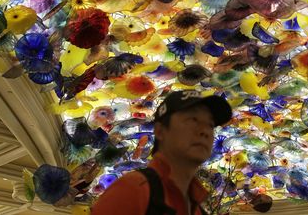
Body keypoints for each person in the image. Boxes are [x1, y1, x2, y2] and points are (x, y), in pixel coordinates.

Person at [90, 90, 233, 215]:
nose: (204, 131)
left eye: (210, 124)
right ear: (160, 131)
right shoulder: (134, 190)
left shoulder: (195, 204)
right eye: (192, 120)